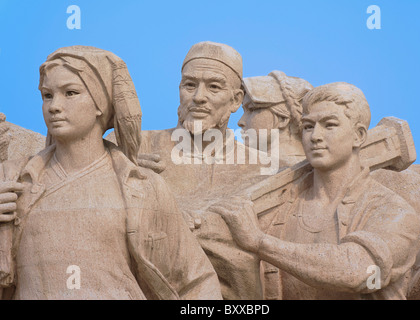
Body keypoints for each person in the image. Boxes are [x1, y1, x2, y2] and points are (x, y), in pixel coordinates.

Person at [0, 46, 221, 300]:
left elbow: (197, 281)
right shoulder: (13, 180)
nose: (54, 106)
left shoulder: (143, 187)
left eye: (70, 93)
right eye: (47, 95)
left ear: (100, 104)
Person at [212, 82, 420, 299]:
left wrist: (260, 243)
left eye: (329, 125)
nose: (315, 137)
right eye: (308, 126)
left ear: (359, 136)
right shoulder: (280, 206)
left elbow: (360, 270)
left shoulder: (392, 212)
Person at [111, 41, 270, 299]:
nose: (198, 97)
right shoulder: (136, 146)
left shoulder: (261, 166)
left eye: (214, 87)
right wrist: (118, 167)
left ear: (236, 100)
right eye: (190, 85)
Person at [239, 71, 313, 167]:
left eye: (252, 109)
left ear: (283, 119)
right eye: (245, 111)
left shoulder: (315, 173)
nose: (240, 122)